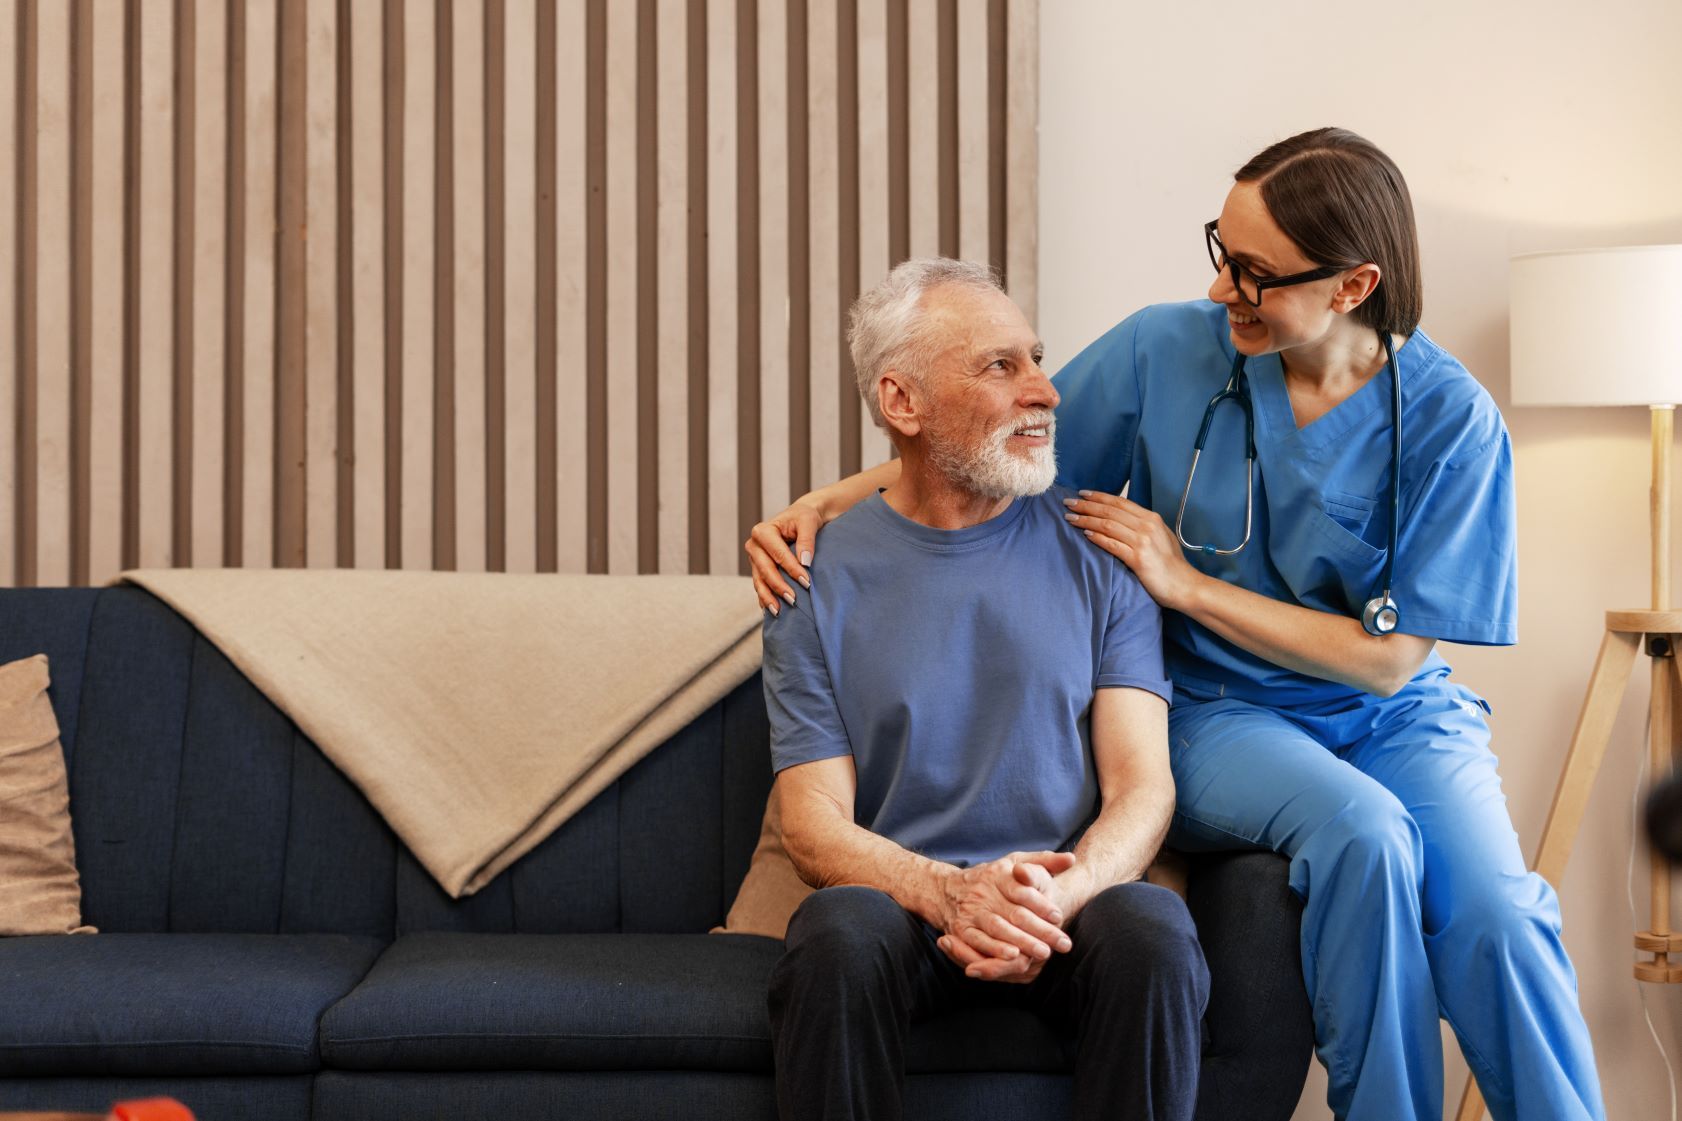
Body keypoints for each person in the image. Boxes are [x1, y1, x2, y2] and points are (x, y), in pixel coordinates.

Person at [747, 129, 1605, 1121]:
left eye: (1252, 272)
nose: (1218, 290)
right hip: (1220, 704)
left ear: (1351, 284)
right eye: (1218, 250)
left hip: (1389, 709)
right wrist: (827, 500)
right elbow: (988, 437)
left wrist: (1182, 581)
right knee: (1364, 836)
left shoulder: (1451, 421)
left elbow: (1388, 658)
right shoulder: (1166, 349)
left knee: (1500, 918)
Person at [764, 257, 1208, 1121]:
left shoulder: (1102, 554)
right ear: (903, 403)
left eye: (1035, 358)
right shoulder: (810, 578)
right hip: (906, 903)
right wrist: (949, 893)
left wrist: (1054, 895)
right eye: (1001, 366)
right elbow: (812, 822)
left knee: (1153, 933)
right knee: (835, 937)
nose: (1044, 389)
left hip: (1062, 900)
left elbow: (1143, 786)